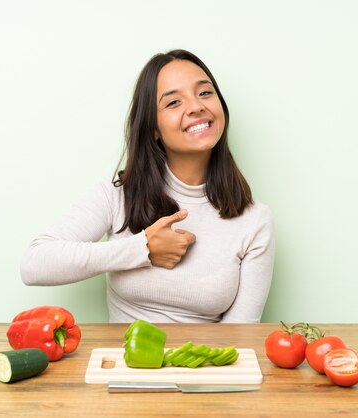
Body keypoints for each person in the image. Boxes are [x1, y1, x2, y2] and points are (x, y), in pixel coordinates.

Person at [20, 49, 275, 323]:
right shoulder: (118, 194)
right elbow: (35, 264)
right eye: (174, 102)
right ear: (153, 127)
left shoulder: (255, 221)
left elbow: (238, 337)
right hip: (123, 363)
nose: (196, 106)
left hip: (205, 364)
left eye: (204, 93)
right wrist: (141, 248)